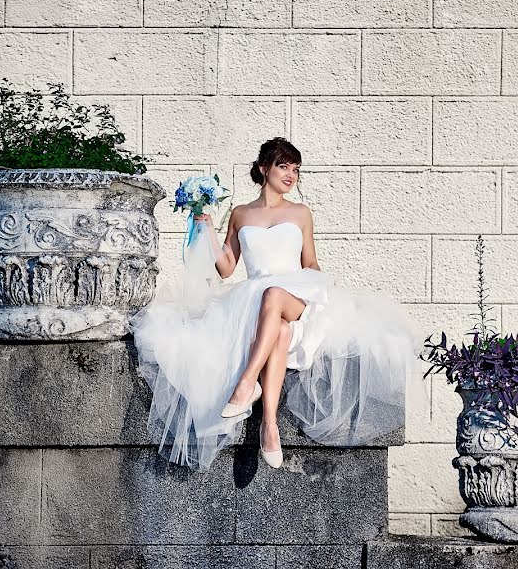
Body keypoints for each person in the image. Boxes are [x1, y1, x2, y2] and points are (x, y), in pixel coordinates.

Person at [130, 136, 421, 472]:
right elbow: (226, 268)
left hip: (295, 293)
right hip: (255, 299)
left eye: (295, 169)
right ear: (263, 168)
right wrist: (206, 227)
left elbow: (310, 262)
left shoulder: (300, 213)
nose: (291, 175)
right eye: (284, 166)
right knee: (278, 330)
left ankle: (246, 383)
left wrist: (322, 290)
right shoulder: (240, 214)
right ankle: (270, 425)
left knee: (274, 296)